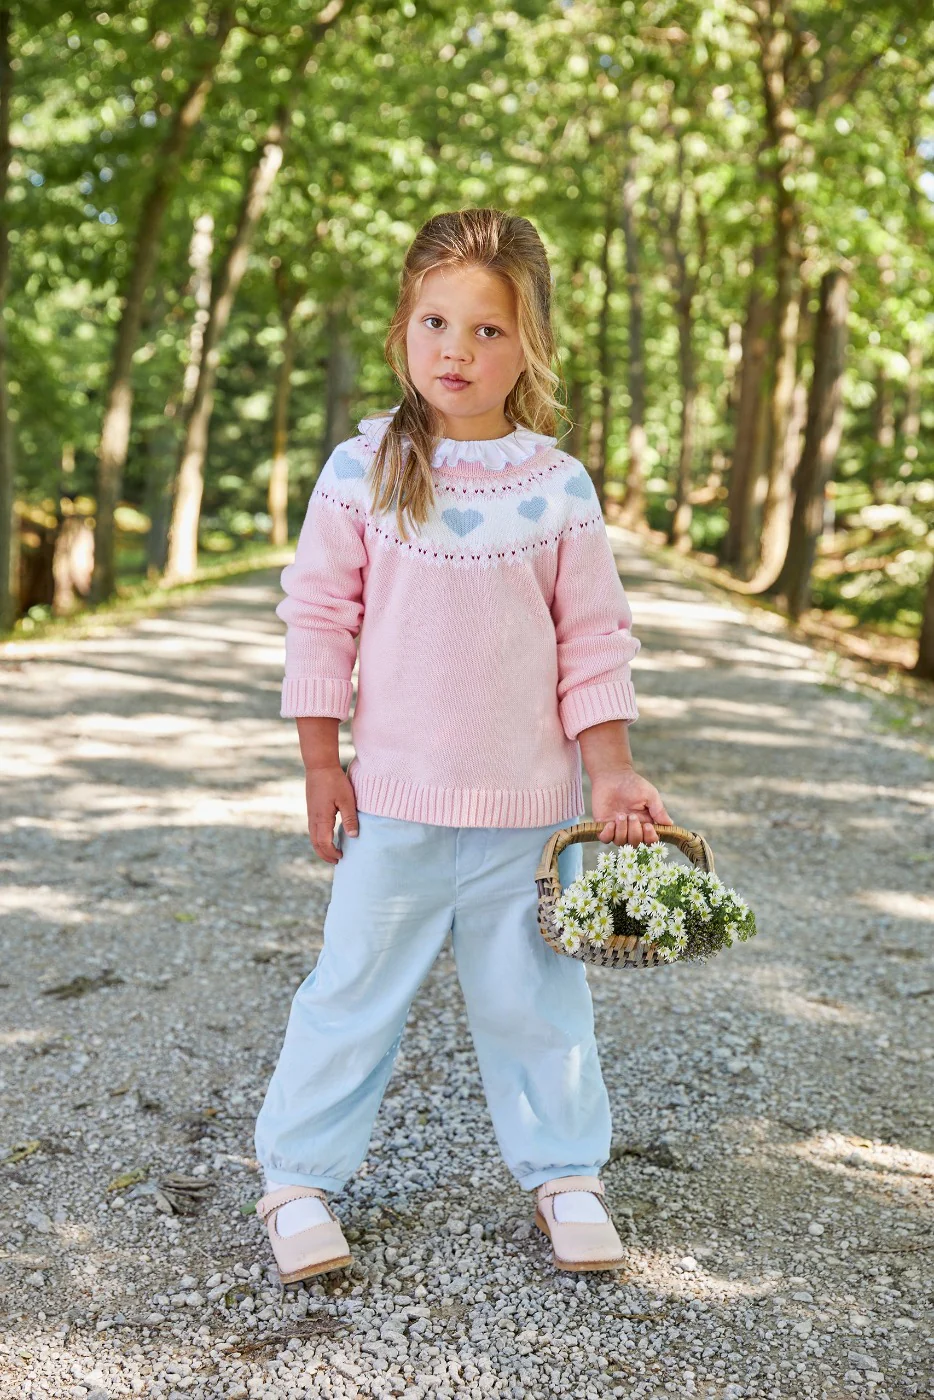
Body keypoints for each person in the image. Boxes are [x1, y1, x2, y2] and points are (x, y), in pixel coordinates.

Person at [254, 207, 673, 1282]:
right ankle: (297, 1179)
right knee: (351, 993)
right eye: (436, 321)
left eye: (489, 330)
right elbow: (318, 619)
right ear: (403, 325)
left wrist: (611, 767)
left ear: (528, 346)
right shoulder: (362, 471)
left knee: (537, 1002)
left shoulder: (556, 486)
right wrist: (320, 761)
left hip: (528, 816)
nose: (457, 350)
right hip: (392, 807)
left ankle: (564, 1171)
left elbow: (592, 636)